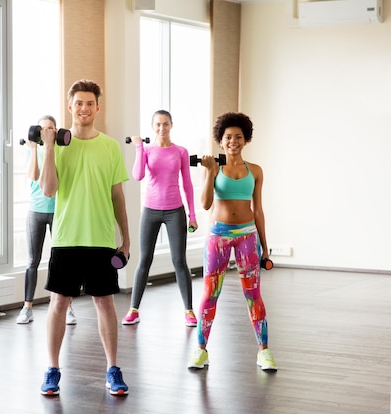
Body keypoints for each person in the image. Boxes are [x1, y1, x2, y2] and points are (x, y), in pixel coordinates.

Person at [38, 80, 131, 396]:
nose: (84, 108)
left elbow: (118, 195)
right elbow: (48, 189)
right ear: (70, 107)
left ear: (97, 107)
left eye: (90, 103)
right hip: (66, 238)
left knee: (105, 303)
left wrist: (126, 239)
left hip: (101, 238)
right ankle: (52, 368)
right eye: (79, 103)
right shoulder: (57, 146)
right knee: (58, 303)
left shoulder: (110, 146)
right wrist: (49, 146)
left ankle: (112, 369)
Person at [186, 112, 277, 371]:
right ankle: (201, 350)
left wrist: (265, 246)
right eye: (228, 137)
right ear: (220, 140)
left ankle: (264, 352)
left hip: (248, 235)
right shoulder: (215, 167)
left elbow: (258, 210)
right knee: (209, 294)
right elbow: (204, 204)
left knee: (253, 294)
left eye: (238, 136)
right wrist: (210, 172)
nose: (233, 141)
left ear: (245, 139)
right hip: (219, 236)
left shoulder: (255, 170)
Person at [122, 110, 199, 327]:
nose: (162, 128)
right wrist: (138, 148)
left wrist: (192, 215)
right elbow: (137, 175)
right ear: (152, 126)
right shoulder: (146, 150)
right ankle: (133, 310)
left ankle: (189, 311)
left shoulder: (180, 151)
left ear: (171, 125)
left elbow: (187, 184)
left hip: (175, 211)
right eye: (158, 125)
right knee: (144, 261)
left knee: (179, 261)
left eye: (165, 124)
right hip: (151, 210)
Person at [16, 115, 77, 325]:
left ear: (56, 131)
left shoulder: (60, 152)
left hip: (58, 212)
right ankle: (27, 307)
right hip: (36, 212)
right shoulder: (31, 152)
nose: (47, 132)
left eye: (51, 128)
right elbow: (33, 176)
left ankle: (68, 307)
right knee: (32, 261)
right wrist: (33, 149)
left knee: (62, 261)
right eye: (44, 129)